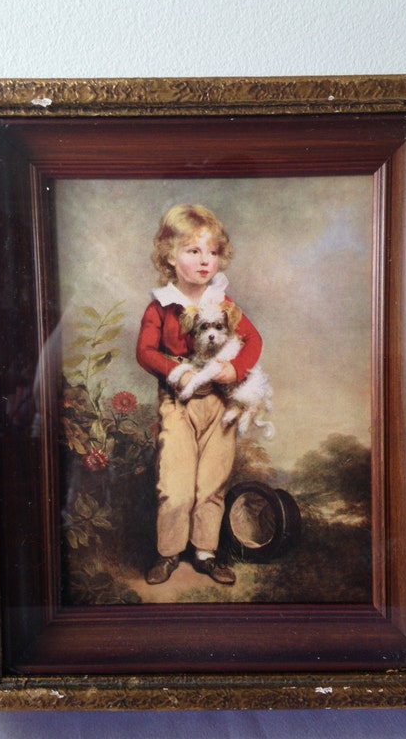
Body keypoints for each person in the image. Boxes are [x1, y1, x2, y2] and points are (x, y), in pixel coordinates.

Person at [136, 203, 263, 585]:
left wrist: (234, 369)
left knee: (212, 480)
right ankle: (169, 552)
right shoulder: (161, 307)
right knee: (175, 484)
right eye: (193, 251)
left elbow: (253, 340)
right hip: (179, 404)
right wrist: (176, 369)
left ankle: (206, 552)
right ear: (170, 257)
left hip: (221, 404)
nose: (205, 260)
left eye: (212, 252)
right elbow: (145, 351)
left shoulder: (224, 304)